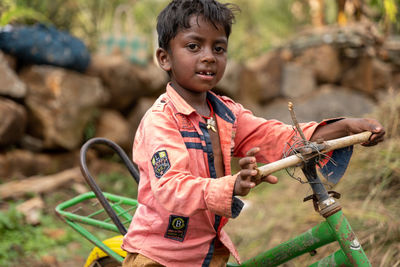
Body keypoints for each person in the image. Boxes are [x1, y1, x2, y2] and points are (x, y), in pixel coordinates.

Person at [121, 0, 385, 266]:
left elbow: (274, 136)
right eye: (193, 46)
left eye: (219, 48)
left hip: (208, 253)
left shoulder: (225, 113)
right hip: (160, 256)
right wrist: (232, 185)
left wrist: (345, 127)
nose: (209, 56)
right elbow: (171, 187)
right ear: (164, 58)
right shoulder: (161, 120)